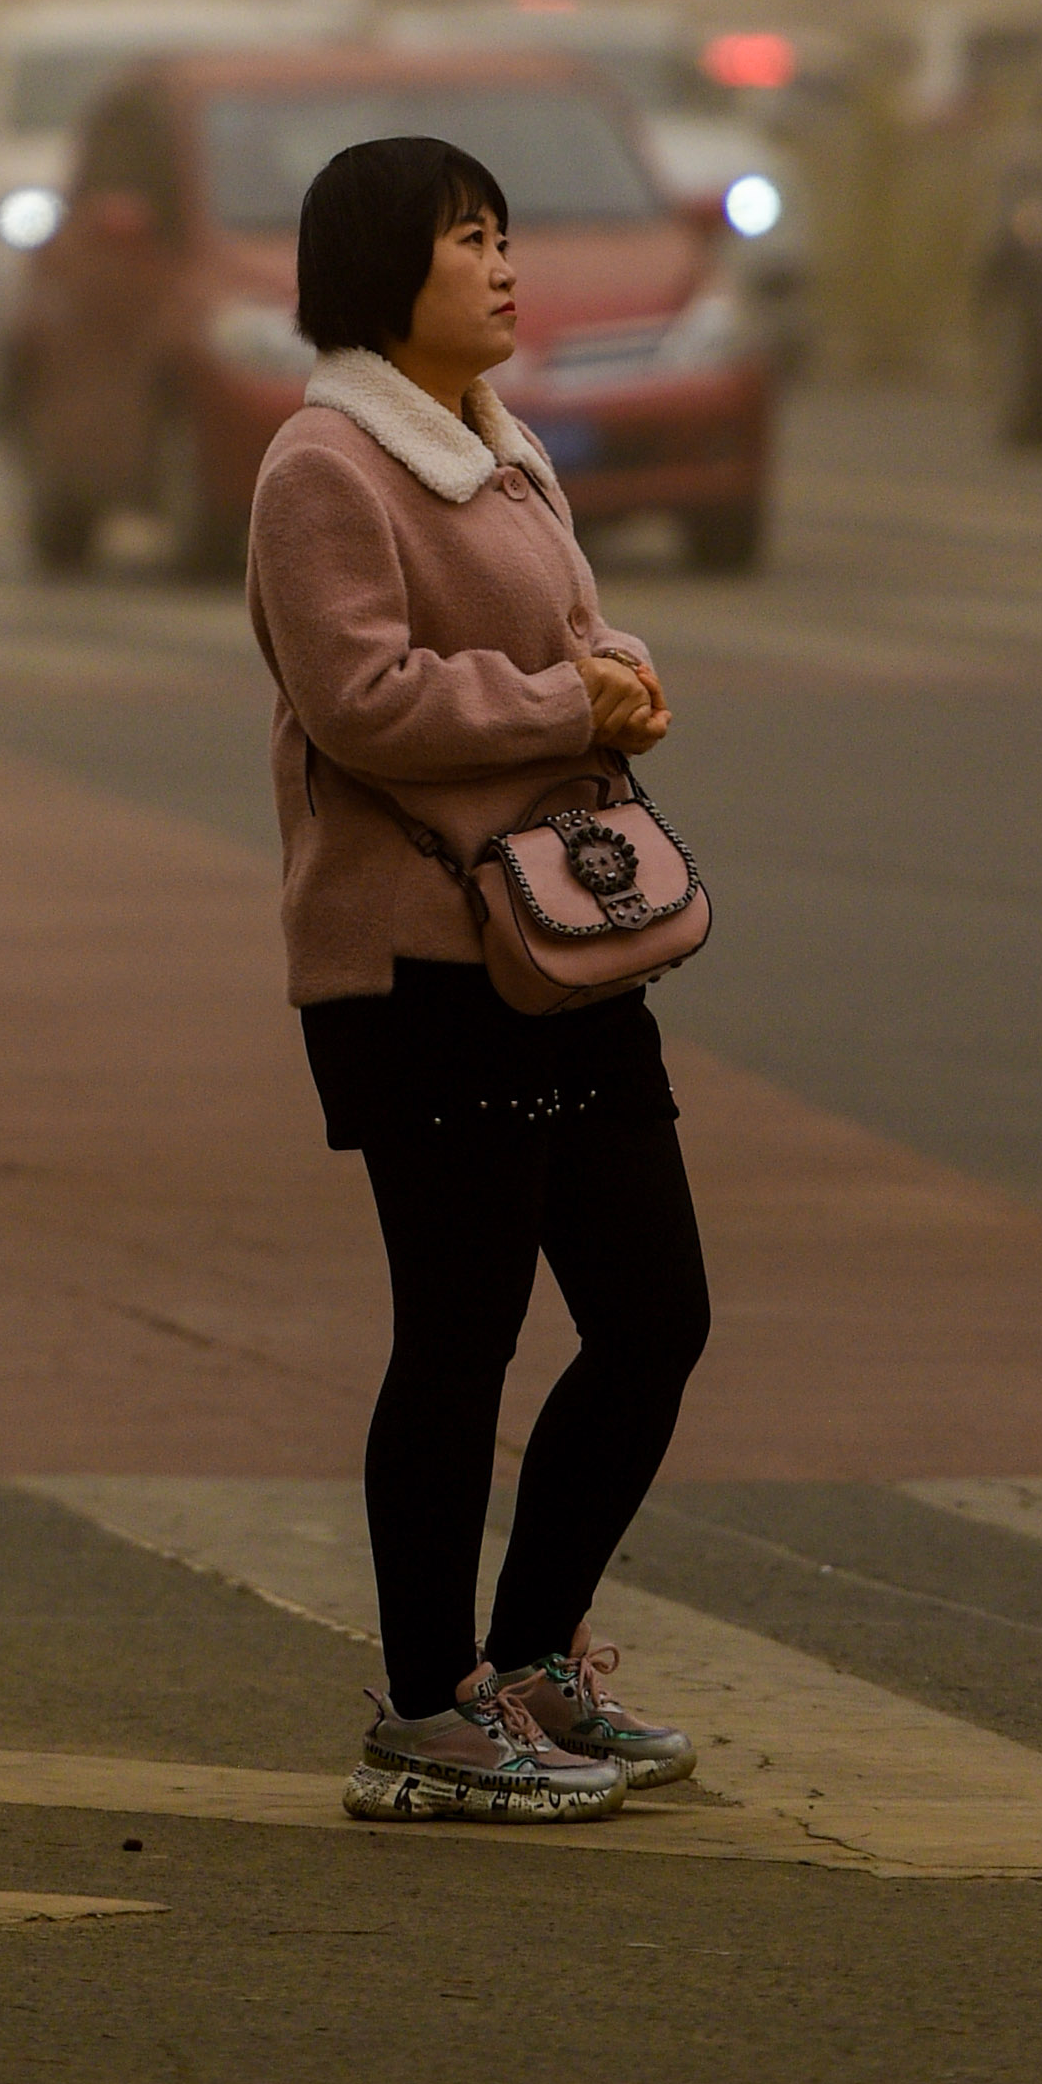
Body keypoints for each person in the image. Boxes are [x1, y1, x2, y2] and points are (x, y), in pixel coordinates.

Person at [245, 130, 712, 1822]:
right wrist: (565, 707)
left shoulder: (496, 450)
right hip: (416, 958)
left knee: (656, 1316)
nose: (506, 266)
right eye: (468, 240)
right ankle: (428, 1704)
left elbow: (568, 633)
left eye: (505, 234)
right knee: (461, 1331)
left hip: (554, 941)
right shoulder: (328, 469)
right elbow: (364, 702)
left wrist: (622, 679)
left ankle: (529, 1663)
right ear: (385, 273)